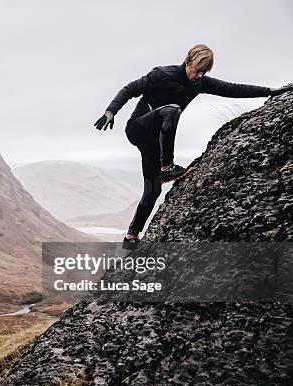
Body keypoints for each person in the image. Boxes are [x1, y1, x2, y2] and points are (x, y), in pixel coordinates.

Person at [94, 44, 293, 245]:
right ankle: (167, 166)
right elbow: (129, 89)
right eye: (198, 70)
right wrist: (111, 111)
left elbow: (233, 89)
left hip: (154, 141)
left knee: (153, 190)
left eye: (204, 72)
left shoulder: (199, 83)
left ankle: (131, 236)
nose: (200, 75)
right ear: (187, 62)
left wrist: (271, 91)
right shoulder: (161, 74)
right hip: (138, 128)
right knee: (172, 110)